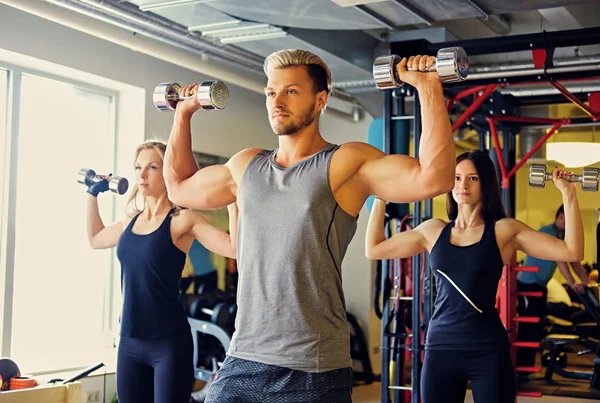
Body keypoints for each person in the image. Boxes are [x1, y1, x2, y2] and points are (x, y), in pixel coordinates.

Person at [163, 49, 456, 402]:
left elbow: (434, 178)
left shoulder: (344, 162)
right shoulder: (246, 166)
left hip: (312, 367)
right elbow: (179, 185)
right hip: (243, 357)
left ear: (320, 100)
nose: (277, 101)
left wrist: (428, 88)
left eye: (291, 91)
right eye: (272, 92)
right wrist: (183, 114)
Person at [365, 150, 584, 403]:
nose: (463, 185)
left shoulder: (504, 231)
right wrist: (380, 195)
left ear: (486, 184)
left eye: (473, 178)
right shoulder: (433, 230)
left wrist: (568, 194)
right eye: (457, 178)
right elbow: (374, 249)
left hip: (487, 349)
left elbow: (572, 250)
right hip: (441, 349)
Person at [85, 140, 238, 403]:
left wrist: (233, 200)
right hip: (130, 342)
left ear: (168, 172)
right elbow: (96, 238)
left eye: (152, 167)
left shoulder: (182, 220)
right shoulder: (130, 221)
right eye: (138, 167)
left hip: (168, 344)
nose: (142, 174)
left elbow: (233, 248)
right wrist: (92, 193)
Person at [516, 204, 589, 370]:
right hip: (528, 285)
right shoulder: (547, 232)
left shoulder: (562, 236)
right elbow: (560, 258)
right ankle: (522, 365)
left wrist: (585, 281)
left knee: (536, 326)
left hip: (540, 286)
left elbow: (573, 258)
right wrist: (572, 283)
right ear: (562, 217)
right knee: (528, 326)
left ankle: (527, 365)